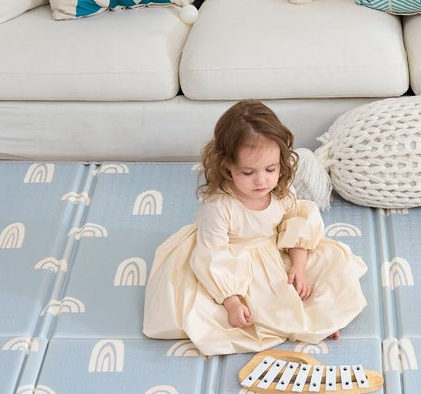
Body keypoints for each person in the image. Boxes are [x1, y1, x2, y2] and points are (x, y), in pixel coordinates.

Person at [142, 99, 367, 356]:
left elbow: (296, 223)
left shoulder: (281, 191)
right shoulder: (220, 207)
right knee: (235, 309)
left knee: (332, 264)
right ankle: (309, 324)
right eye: (248, 172)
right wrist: (231, 301)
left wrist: (299, 266)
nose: (262, 181)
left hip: (277, 249)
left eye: (270, 169)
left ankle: (322, 316)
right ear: (227, 167)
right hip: (233, 261)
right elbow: (212, 254)